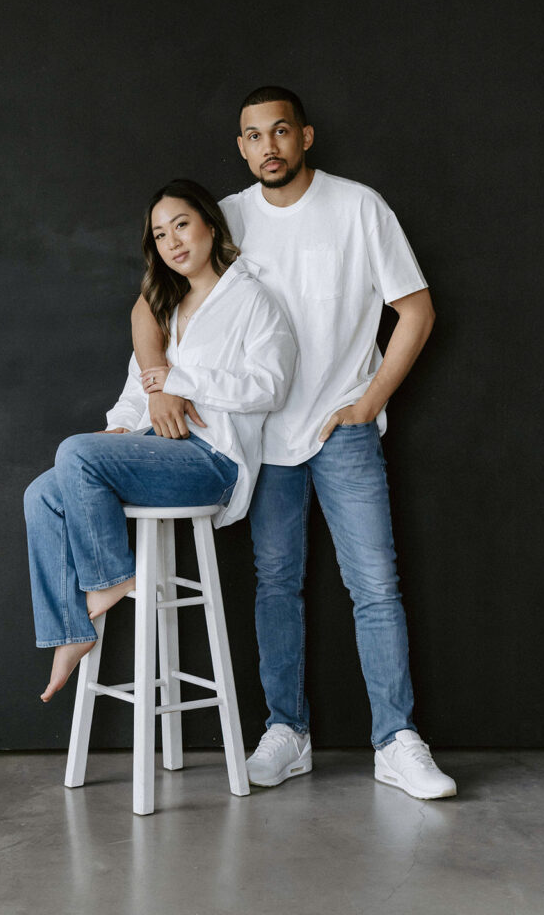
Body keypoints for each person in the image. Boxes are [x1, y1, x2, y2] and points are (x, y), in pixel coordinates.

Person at [132, 88, 457, 800]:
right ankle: (287, 733)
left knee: (374, 586)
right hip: (255, 436)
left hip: (340, 430)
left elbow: (415, 308)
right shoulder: (226, 218)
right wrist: (156, 388)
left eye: (279, 131)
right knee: (275, 586)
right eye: (252, 136)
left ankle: (395, 742)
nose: (266, 146)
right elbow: (148, 301)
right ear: (241, 147)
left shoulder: (358, 207)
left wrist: (369, 400)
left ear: (304, 136)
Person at [24, 178, 297, 704]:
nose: (173, 241)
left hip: (213, 460)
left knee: (75, 452)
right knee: (42, 492)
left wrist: (183, 382)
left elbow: (272, 386)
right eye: (160, 234)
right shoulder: (164, 310)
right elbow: (138, 391)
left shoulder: (253, 301)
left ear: (209, 227)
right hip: (157, 451)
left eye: (182, 225)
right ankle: (71, 632)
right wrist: (120, 429)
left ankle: (108, 578)